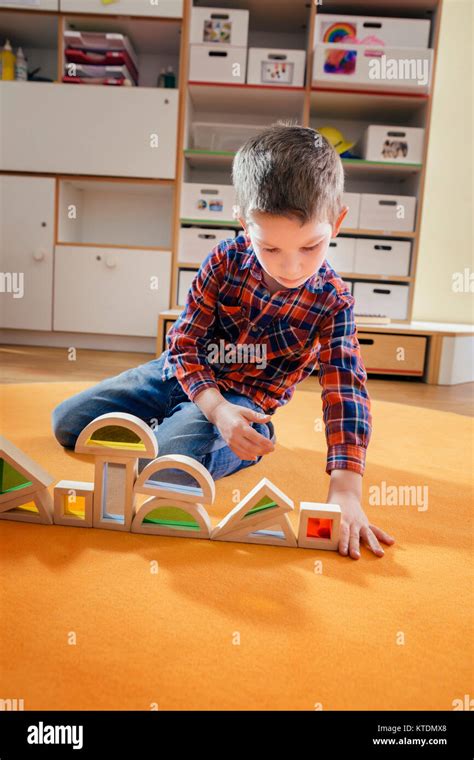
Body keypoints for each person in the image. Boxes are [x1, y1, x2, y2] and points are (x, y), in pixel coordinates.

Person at [52, 122, 395, 560]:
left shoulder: (334, 302)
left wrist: (346, 489)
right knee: (67, 423)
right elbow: (183, 343)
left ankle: (231, 441)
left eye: (311, 247)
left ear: (338, 222)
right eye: (270, 249)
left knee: (167, 467)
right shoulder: (224, 260)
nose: (291, 267)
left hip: (243, 404)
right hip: (178, 375)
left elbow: (345, 390)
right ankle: (176, 419)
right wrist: (209, 405)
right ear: (243, 222)